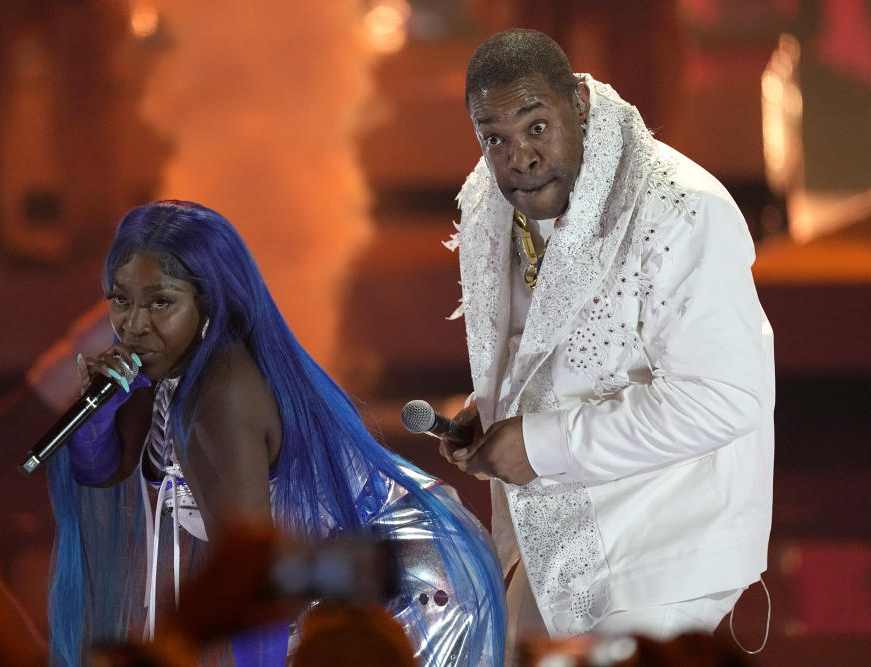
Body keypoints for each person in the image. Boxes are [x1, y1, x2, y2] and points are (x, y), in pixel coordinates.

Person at [46, 200, 506, 666]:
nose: (134, 323)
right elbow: (99, 468)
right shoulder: (163, 362)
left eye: (161, 302)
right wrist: (101, 410)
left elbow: (251, 581)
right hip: (328, 584)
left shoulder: (220, 395)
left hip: (403, 583)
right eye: (121, 300)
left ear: (210, 301)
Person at [440, 28, 774, 651]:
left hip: (667, 553)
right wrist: (494, 413)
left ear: (579, 104)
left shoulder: (680, 208)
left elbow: (726, 397)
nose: (520, 155)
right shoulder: (491, 201)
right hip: (557, 542)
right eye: (495, 138)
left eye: (536, 125)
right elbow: (546, 348)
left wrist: (539, 442)